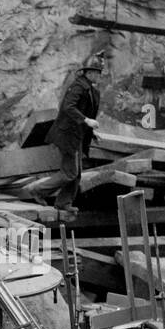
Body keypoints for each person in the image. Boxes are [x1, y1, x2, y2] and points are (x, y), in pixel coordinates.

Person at [25, 52, 105, 214]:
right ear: (89, 73)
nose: (99, 75)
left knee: (76, 174)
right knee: (70, 173)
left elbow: (81, 111)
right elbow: (68, 107)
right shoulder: (78, 87)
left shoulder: (90, 89)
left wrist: (91, 130)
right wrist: (86, 120)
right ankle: (38, 190)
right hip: (68, 136)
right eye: (97, 72)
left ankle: (63, 203)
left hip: (77, 136)